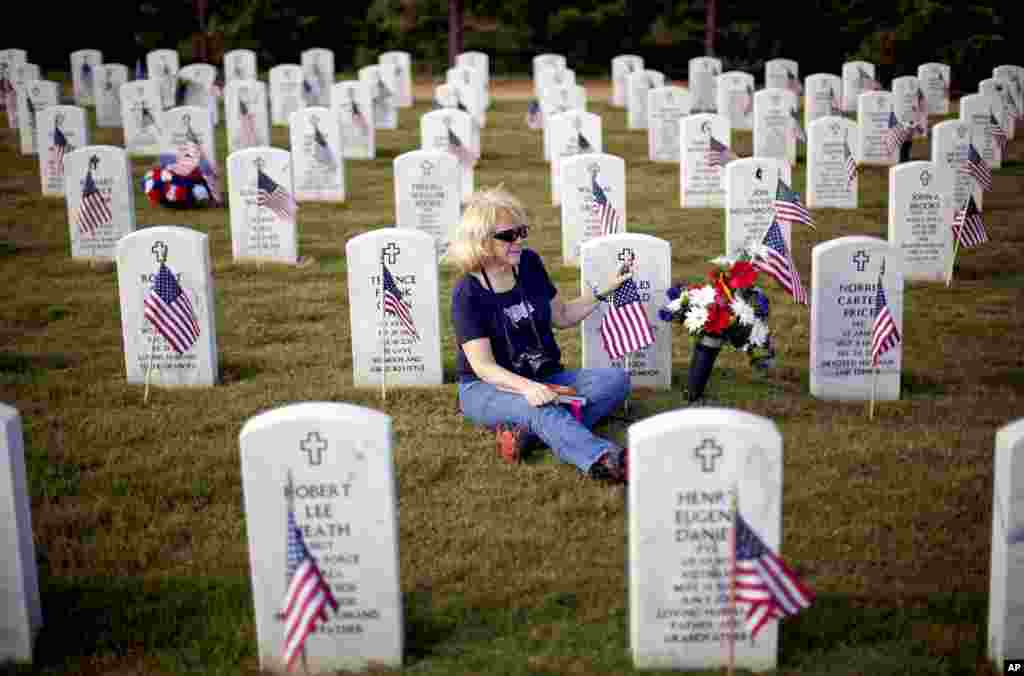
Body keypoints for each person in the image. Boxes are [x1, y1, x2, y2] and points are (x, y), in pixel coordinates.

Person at [449, 185, 632, 483]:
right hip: (486, 388)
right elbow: (483, 367)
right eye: (509, 235)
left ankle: (526, 435)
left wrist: (603, 291)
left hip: (544, 377)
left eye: (522, 231)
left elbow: (562, 315)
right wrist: (527, 389)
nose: (519, 240)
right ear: (482, 241)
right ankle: (606, 460)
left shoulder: (529, 264)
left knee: (616, 380)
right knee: (543, 408)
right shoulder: (467, 292)